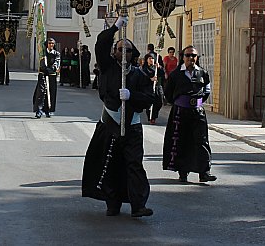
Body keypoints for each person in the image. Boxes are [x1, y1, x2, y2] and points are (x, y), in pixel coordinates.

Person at [82, 16, 156, 218]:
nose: (123, 53)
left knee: (133, 164)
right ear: (114, 52)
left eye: (128, 50)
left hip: (132, 127)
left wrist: (133, 96)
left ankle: (138, 205)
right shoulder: (107, 67)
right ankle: (112, 203)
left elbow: (150, 98)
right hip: (110, 123)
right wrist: (115, 27)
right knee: (110, 164)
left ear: (133, 55)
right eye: (120, 49)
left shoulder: (139, 75)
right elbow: (101, 43)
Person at [163, 46, 216, 183]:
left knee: (201, 141)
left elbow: (207, 90)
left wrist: (197, 102)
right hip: (180, 112)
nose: (191, 58)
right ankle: (183, 172)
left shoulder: (202, 73)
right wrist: (180, 102)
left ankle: (204, 172)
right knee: (182, 141)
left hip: (197, 112)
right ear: (183, 57)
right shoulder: (176, 74)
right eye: (188, 55)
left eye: (193, 56)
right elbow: (168, 92)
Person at [32, 39, 61, 118]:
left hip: (51, 75)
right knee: (40, 92)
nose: (51, 45)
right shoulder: (43, 53)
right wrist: (44, 68)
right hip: (43, 74)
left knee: (51, 92)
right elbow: (42, 63)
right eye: (49, 43)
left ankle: (49, 110)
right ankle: (39, 110)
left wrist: (52, 68)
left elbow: (57, 63)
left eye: (52, 43)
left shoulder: (56, 54)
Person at [141, 53, 166, 125]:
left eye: (152, 58)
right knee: (150, 103)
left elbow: (162, 74)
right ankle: (151, 117)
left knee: (159, 102)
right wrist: (150, 79)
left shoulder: (156, 67)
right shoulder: (144, 68)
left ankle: (155, 115)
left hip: (158, 87)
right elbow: (142, 78)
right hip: (148, 87)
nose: (151, 60)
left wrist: (160, 68)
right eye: (149, 58)